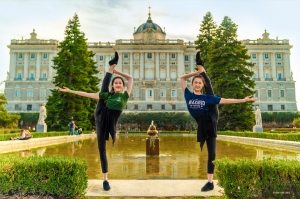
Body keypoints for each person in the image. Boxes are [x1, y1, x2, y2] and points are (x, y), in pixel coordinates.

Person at [180, 51, 257, 192]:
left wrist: (244, 100)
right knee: (211, 154)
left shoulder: (207, 98)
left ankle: (210, 182)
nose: (197, 84)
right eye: (195, 83)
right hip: (204, 125)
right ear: (193, 84)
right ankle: (201, 67)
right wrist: (197, 73)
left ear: (201, 85)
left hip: (212, 116)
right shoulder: (188, 95)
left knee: (212, 154)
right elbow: (182, 78)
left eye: (199, 83)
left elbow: (226, 101)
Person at [58, 51, 133, 191]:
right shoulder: (108, 95)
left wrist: (117, 71)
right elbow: (88, 94)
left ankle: (111, 68)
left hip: (110, 122)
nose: (118, 84)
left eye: (119, 83)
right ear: (113, 85)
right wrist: (70, 91)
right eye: (115, 83)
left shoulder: (125, 96)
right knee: (101, 149)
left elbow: (130, 78)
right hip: (100, 116)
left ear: (122, 86)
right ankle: (105, 179)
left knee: (103, 152)